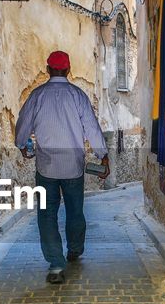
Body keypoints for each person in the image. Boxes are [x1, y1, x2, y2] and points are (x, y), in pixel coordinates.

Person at [14, 50, 110, 284]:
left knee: (47, 215)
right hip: (73, 168)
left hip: (46, 167)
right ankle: (74, 249)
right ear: (68, 70)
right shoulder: (78, 96)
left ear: (48, 70)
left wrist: (22, 146)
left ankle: (56, 264)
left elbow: (22, 127)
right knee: (75, 211)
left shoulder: (37, 96)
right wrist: (103, 156)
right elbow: (92, 128)